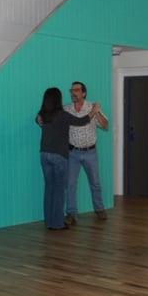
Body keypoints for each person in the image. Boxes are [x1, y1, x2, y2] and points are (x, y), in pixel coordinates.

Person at [38, 87, 99, 230]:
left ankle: (49, 222)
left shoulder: (43, 114)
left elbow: (38, 120)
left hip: (44, 154)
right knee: (59, 190)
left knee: (49, 189)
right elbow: (82, 120)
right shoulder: (62, 115)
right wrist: (94, 111)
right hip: (59, 155)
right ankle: (58, 223)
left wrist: (38, 119)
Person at [64, 81, 108, 225]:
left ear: (84, 93)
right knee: (70, 184)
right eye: (72, 90)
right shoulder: (67, 109)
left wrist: (96, 112)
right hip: (73, 153)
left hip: (90, 152)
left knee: (95, 183)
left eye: (76, 90)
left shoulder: (92, 107)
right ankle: (71, 213)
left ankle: (99, 209)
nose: (73, 93)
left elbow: (105, 125)